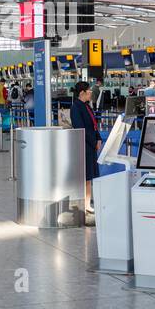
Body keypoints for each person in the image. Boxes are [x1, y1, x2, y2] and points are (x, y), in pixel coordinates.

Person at [70, 81, 101, 222]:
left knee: (89, 177)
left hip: (91, 145)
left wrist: (98, 137)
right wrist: (94, 142)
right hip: (84, 145)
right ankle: (83, 204)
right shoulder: (76, 107)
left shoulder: (87, 106)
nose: (91, 93)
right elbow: (80, 128)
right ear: (82, 92)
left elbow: (93, 123)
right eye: (89, 91)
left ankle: (88, 204)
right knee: (85, 176)